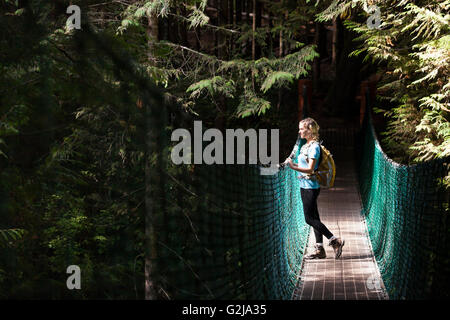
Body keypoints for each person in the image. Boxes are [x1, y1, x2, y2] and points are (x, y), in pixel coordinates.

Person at [285, 118, 344, 259]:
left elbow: (311, 169)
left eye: (301, 129)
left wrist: (293, 167)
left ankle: (335, 240)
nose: (299, 131)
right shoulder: (306, 145)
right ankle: (320, 250)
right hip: (304, 185)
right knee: (315, 217)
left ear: (310, 130)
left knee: (309, 219)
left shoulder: (314, 147)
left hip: (310, 187)